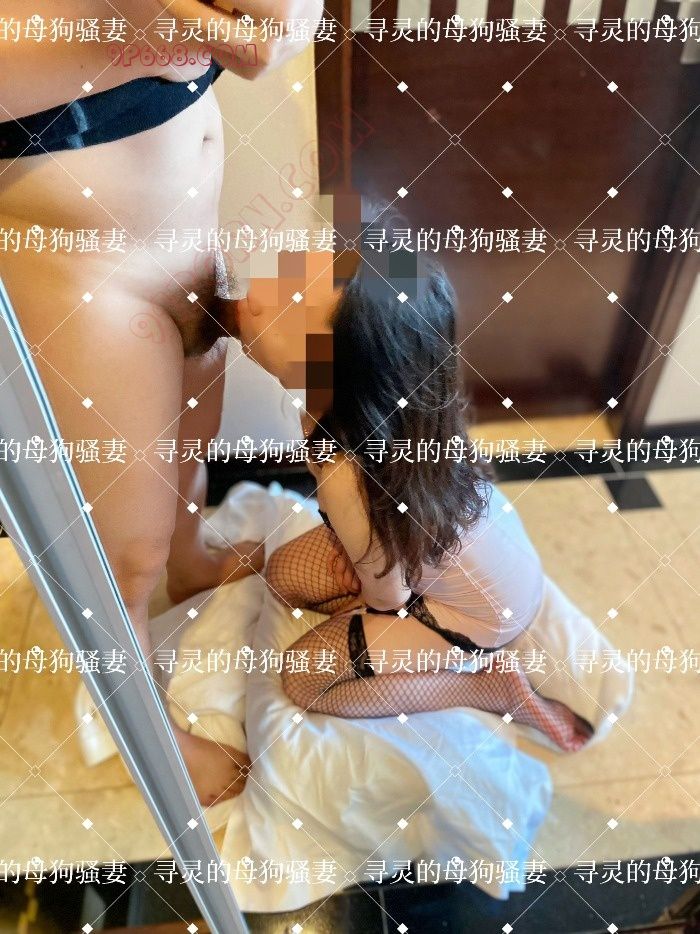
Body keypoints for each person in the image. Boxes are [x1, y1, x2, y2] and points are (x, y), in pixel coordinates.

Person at [0, 0, 320, 806]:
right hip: (81, 270)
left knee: (189, 449)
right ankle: (146, 730)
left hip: (188, 238)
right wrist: (144, 31)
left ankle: (191, 562)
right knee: (123, 551)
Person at [237, 246, 592, 751]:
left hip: (481, 613)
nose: (253, 298)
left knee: (304, 677)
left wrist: (374, 587)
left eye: (286, 305)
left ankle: (487, 687)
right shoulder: (401, 416)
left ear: (344, 369)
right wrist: (365, 557)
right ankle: (389, 580)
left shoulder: (346, 471)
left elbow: (388, 597)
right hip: (454, 559)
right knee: (282, 575)